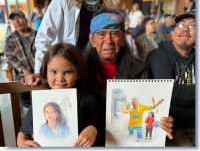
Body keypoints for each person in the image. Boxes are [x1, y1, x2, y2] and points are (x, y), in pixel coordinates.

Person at [22, 0, 119, 87]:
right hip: (67, 69)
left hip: (94, 68)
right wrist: (39, 71)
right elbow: (44, 36)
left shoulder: (107, 3)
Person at [83, 8, 174, 145]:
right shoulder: (79, 71)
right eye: (101, 34)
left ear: (123, 40)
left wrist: (163, 121)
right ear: (92, 39)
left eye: (115, 33)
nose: (108, 40)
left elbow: (149, 107)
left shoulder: (140, 70)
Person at [17, 43, 101, 147]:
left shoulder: (88, 99)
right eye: (53, 71)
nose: (60, 78)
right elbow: (23, 132)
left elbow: (99, 127)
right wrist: (22, 144)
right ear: (45, 73)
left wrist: (93, 130)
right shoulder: (41, 100)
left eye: (68, 72)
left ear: (78, 73)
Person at [146, 11, 195, 147]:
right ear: (173, 32)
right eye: (181, 25)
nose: (186, 28)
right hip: (170, 130)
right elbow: (168, 91)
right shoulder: (158, 56)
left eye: (193, 26)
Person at [5, 9, 37, 108]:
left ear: (25, 20)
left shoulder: (37, 34)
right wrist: (24, 70)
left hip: (40, 70)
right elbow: (10, 58)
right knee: (19, 86)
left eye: (19, 17)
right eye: (13, 19)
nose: (16, 21)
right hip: (23, 72)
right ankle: (31, 110)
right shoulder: (10, 39)